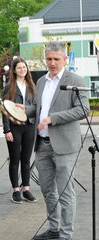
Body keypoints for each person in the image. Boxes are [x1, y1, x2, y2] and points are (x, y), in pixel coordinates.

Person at [27, 42, 89, 240]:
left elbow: (83, 110)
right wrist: (22, 111)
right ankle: (54, 228)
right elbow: (37, 108)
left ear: (64, 59)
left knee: (65, 191)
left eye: (56, 59)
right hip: (43, 145)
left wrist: (53, 118)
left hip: (65, 146)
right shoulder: (41, 81)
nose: (52, 63)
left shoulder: (75, 79)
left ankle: (66, 233)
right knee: (47, 190)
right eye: (49, 59)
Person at [2, 57, 37, 204]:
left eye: (24, 67)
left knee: (26, 159)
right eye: (19, 68)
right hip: (14, 127)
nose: (22, 70)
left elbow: (36, 106)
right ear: (14, 70)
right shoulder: (9, 87)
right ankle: (16, 190)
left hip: (29, 125)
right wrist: (7, 130)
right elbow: (4, 109)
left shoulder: (32, 86)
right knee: (15, 159)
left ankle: (26, 189)